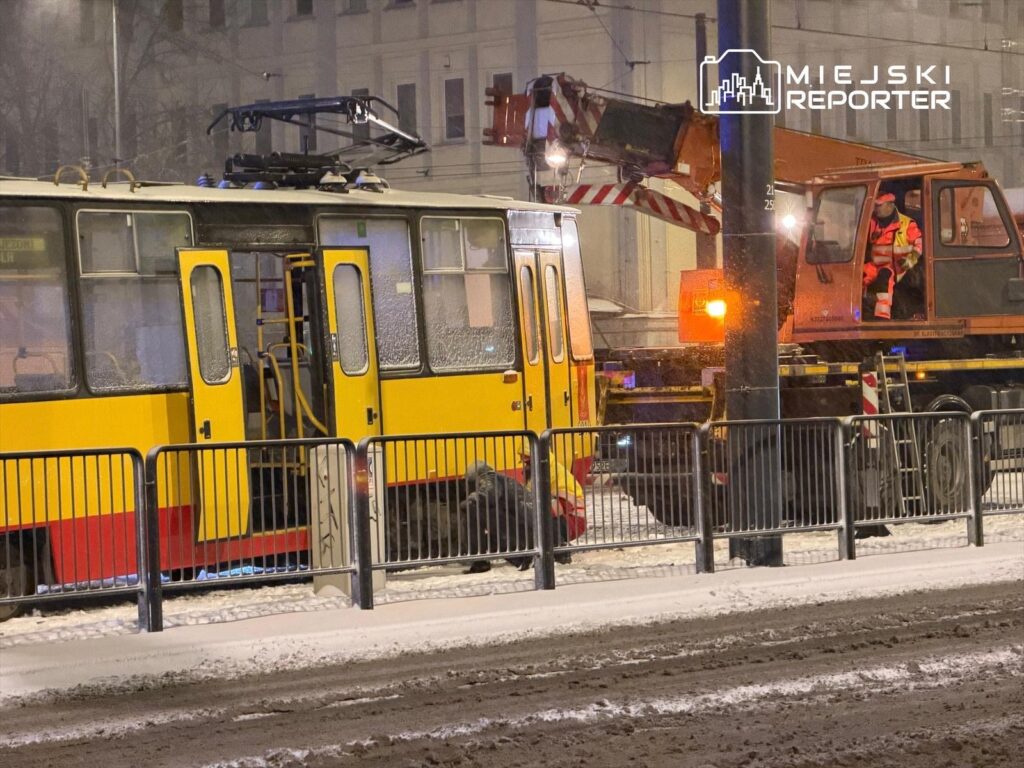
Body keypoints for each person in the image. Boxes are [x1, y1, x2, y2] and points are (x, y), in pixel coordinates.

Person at [863, 192, 923, 321]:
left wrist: (911, 258)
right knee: (856, 276)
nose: (875, 209)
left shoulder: (907, 224)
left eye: (878, 205)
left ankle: (882, 317)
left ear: (890, 205)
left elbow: (919, 243)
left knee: (885, 277)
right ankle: (858, 312)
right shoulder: (871, 222)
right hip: (874, 266)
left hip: (897, 268)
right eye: (874, 205)